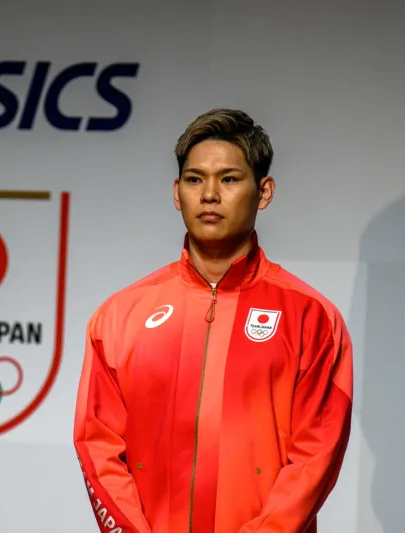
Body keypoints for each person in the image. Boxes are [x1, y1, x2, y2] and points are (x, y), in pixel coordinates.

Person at [73, 108, 353, 533]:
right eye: (194, 178)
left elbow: (316, 455)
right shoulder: (120, 316)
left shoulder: (311, 317)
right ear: (176, 192)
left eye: (229, 179)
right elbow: (98, 446)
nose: (209, 194)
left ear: (264, 191)